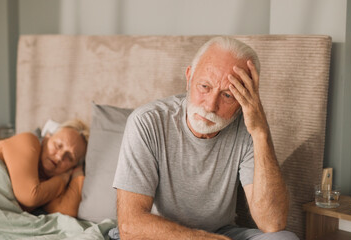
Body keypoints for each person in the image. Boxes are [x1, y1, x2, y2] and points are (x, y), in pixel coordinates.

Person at [112, 37, 299, 240]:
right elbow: (131, 226)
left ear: (244, 100)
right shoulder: (147, 122)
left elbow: (273, 223)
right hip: (158, 235)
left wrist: (261, 132)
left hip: (221, 233)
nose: (210, 106)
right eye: (204, 87)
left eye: (228, 95)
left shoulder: (248, 129)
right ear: (189, 76)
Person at [0, 119, 89, 217]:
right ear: (46, 138)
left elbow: (66, 211)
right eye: (58, 145)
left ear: (72, 167)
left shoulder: (48, 184)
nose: (59, 157)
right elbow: (30, 196)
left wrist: (77, 174)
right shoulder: (28, 141)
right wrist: (62, 180)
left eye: (70, 157)